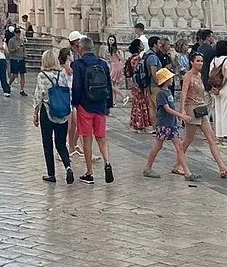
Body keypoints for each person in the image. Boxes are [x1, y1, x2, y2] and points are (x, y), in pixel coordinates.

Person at [178, 53, 227, 179]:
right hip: (191, 109)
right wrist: (182, 111)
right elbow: (183, 93)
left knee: (211, 138)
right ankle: (178, 164)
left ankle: (222, 167)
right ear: (192, 62)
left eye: (201, 61)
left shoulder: (199, 75)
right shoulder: (188, 76)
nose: (200, 63)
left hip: (201, 109)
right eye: (197, 61)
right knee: (188, 139)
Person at [69, 35, 115, 185]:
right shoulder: (102, 63)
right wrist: (108, 105)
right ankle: (107, 162)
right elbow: (108, 85)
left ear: (81, 48)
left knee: (87, 139)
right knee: (101, 137)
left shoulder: (78, 65)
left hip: (85, 106)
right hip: (101, 105)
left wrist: (75, 103)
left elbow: (76, 86)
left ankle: (89, 172)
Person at [32, 48, 74, 184]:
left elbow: (38, 96)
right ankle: (68, 166)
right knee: (61, 143)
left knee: (47, 143)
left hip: (48, 111)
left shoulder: (42, 75)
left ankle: (51, 174)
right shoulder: (61, 74)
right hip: (62, 112)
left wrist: (35, 113)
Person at [142, 67, 191, 180]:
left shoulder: (168, 92)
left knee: (179, 147)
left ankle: (187, 172)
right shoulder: (161, 93)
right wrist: (181, 115)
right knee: (158, 146)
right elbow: (167, 109)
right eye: (170, 78)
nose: (172, 79)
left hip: (171, 123)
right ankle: (148, 168)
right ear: (165, 80)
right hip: (164, 124)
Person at [208, 40, 227, 143]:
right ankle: (225, 135)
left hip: (215, 88)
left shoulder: (214, 60)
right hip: (226, 88)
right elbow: (226, 76)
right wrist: (220, 87)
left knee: (218, 112)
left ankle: (218, 134)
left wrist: (214, 88)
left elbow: (211, 75)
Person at [125, 39, 153, 132]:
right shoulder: (137, 58)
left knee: (136, 104)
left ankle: (136, 123)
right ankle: (140, 124)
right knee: (141, 103)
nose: (143, 45)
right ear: (138, 47)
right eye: (141, 44)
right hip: (139, 83)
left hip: (135, 83)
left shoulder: (132, 58)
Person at [7, 28, 28, 96]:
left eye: (19, 33)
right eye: (17, 33)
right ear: (14, 33)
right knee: (14, 74)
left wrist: (24, 55)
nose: (18, 34)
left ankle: (22, 89)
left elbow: (24, 48)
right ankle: (9, 84)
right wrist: (16, 48)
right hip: (14, 58)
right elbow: (10, 50)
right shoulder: (11, 41)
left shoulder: (21, 40)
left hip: (21, 58)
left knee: (22, 74)